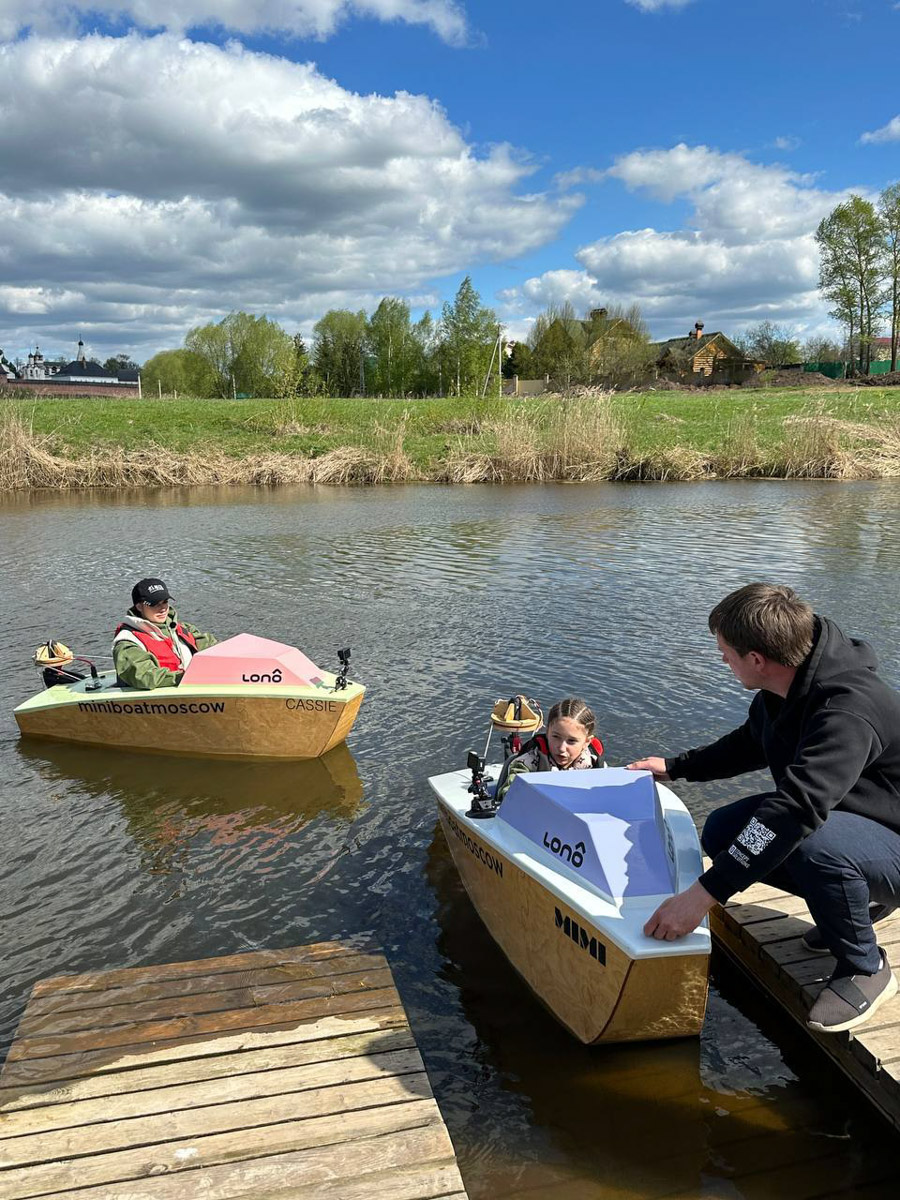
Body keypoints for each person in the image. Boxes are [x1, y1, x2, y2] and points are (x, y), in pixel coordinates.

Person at [628, 582, 900, 1034]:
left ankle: (864, 965)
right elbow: (751, 743)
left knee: (813, 842)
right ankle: (856, 901)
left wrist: (702, 895)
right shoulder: (789, 685)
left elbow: (794, 809)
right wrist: (677, 768)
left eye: (726, 652)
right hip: (863, 824)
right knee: (722, 830)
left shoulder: (847, 711)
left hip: (890, 839)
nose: (722, 661)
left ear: (756, 659)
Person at [113, 578, 217, 690]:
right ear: (139, 607)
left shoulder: (186, 628)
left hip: (191, 691)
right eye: (154, 604)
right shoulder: (127, 642)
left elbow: (214, 648)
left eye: (165, 602)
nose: (162, 609)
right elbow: (144, 676)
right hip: (157, 704)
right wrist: (187, 677)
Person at [496, 697, 604, 801]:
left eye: (571, 741)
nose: (561, 748)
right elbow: (509, 795)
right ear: (547, 732)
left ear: (586, 742)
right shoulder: (526, 764)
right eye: (556, 737)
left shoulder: (595, 766)